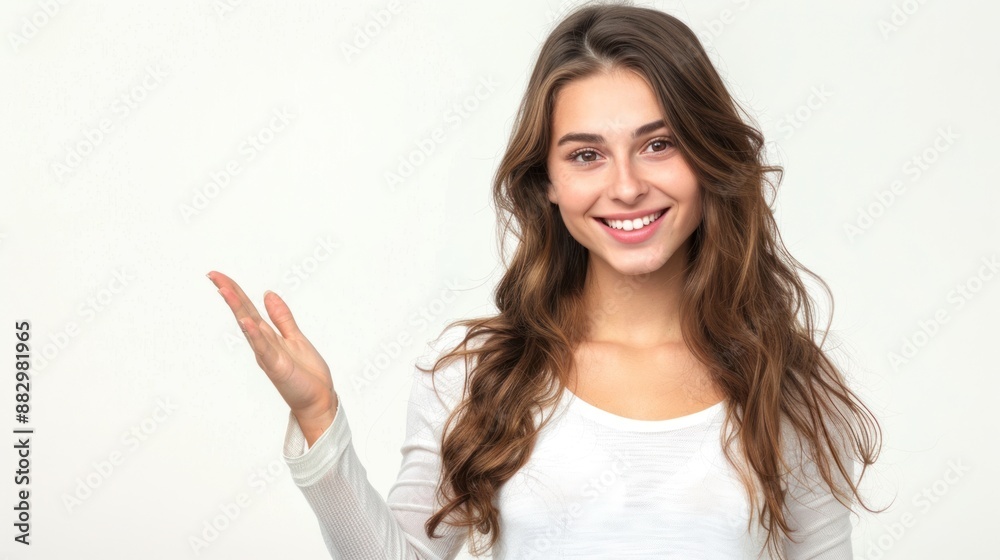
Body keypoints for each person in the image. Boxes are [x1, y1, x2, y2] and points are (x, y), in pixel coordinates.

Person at [207, 2, 882, 558]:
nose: (626, 186)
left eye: (659, 144)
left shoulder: (781, 380)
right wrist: (319, 419)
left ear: (707, 157)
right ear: (548, 183)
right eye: (587, 155)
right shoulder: (479, 375)